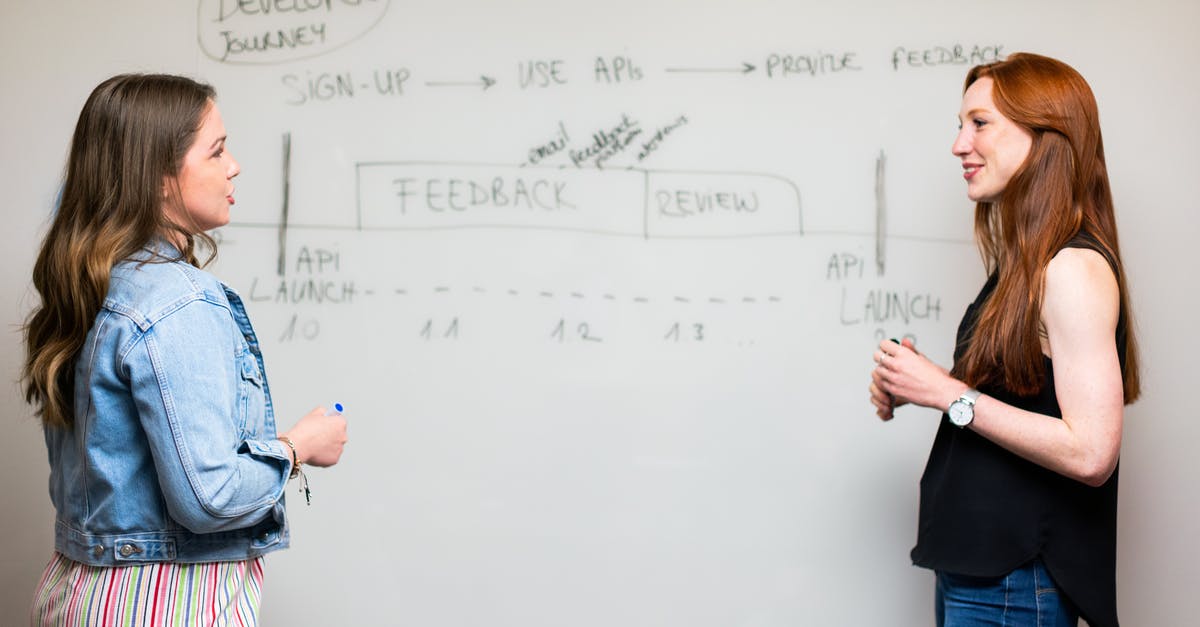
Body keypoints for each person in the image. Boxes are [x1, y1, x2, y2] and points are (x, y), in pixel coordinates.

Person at [21, 73, 348, 625]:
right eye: (216, 150)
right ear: (159, 179)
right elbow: (210, 497)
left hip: (75, 592)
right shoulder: (178, 300)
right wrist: (298, 446)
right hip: (160, 605)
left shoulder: (91, 284)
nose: (234, 165)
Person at [869, 53, 1139, 627]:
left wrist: (947, 395)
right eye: (960, 124)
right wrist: (926, 383)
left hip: (1016, 586)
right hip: (983, 578)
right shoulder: (1026, 265)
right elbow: (1023, 400)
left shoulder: (1072, 268)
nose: (959, 145)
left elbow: (1092, 453)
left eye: (980, 123)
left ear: (1046, 136)